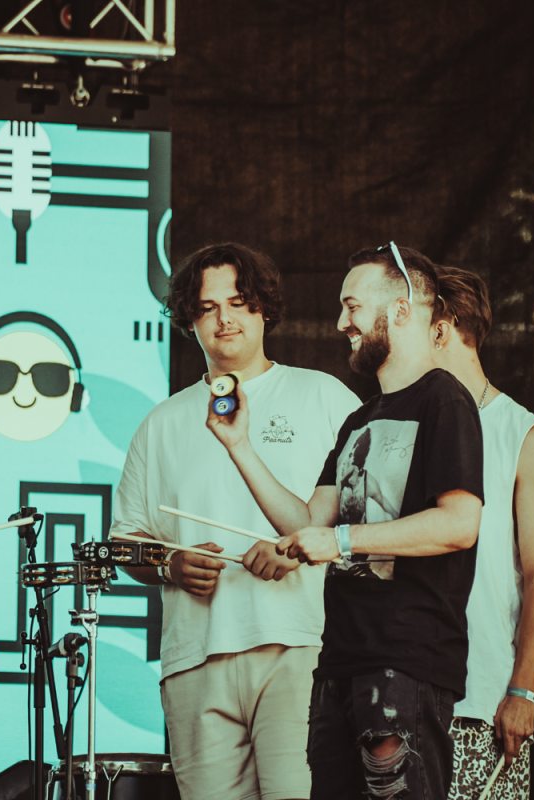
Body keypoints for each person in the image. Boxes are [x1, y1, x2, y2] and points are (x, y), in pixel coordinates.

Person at [210, 242, 484, 798]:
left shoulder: (445, 400)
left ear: (401, 309)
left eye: (352, 306)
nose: (341, 323)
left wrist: (339, 540)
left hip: (406, 662)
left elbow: (459, 524)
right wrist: (239, 445)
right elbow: (307, 522)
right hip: (339, 664)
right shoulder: (360, 420)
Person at [110, 242, 359, 800]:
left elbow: (368, 518)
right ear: (189, 321)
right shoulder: (160, 422)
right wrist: (170, 564)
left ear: (264, 308)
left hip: (303, 645)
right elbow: (124, 542)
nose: (224, 318)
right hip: (195, 657)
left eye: (239, 302)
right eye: (207, 307)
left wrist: (300, 545)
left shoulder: (323, 396)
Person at [429, 266, 534, 800]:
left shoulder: (523, 432)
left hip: (483, 696)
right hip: (402, 689)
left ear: (442, 327)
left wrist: (523, 691)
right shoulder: (406, 422)